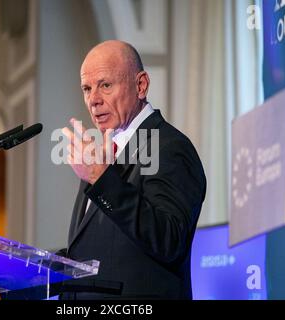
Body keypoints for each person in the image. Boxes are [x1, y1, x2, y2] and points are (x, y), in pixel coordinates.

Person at [59, 40, 206, 300]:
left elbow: (169, 239)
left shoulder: (168, 147)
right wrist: (25, 272)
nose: (93, 100)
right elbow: (96, 250)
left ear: (141, 85)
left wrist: (101, 178)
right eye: (86, 88)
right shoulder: (105, 154)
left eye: (105, 85)